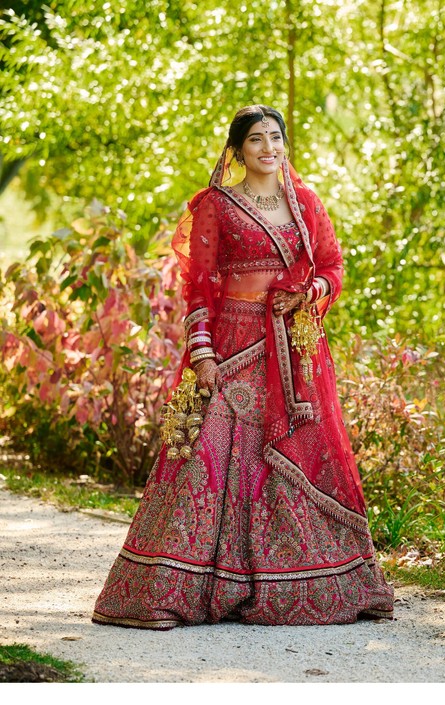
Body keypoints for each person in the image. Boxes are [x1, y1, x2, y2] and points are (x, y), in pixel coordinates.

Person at [92, 104, 394, 629]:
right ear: (237, 150)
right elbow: (199, 285)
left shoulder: (305, 203)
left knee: (290, 458)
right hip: (232, 347)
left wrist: (311, 291)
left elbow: (333, 268)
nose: (268, 148)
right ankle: (177, 587)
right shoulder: (216, 206)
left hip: (293, 354)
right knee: (207, 457)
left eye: (275, 138)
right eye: (256, 140)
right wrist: (203, 351)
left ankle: (307, 583)